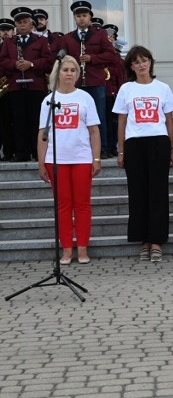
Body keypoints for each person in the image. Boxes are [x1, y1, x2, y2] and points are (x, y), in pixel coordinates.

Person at [114, 45, 173, 262]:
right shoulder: (126, 89)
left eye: (145, 60)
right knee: (138, 193)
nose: (141, 65)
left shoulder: (163, 88)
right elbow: (121, 122)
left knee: (158, 194)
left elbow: (169, 120)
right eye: (136, 62)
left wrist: (172, 148)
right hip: (134, 144)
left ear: (150, 62)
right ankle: (143, 240)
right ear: (131, 66)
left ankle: (157, 241)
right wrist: (120, 150)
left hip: (158, 143)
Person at [36, 55, 101, 265]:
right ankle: (66, 250)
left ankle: (82, 248)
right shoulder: (49, 100)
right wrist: (41, 162)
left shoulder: (85, 98)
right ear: (58, 73)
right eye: (65, 70)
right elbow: (42, 133)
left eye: (73, 70)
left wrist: (96, 158)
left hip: (82, 158)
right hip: (56, 160)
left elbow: (94, 131)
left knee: (82, 204)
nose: (69, 74)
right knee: (63, 205)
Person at [60, 0, 117, 159]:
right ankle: (81, 148)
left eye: (84, 15)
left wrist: (92, 58)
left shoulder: (100, 35)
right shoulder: (68, 38)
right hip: (76, 84)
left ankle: (102, 149)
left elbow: (110, 55)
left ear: (90, 17)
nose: (81, 19)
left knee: (98, 116)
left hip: (95, 82)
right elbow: (61, 57)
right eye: (78, 16)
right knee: (78, 117)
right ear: (74, 18)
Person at [0, 7, 52, 162]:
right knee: (18, 120)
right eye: (19, 22)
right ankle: (22, 152)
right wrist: (14, 64)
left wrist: (32, 64)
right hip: (16, 86)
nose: (22, 25)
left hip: (36, 87)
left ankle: (38, 152)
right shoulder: (9, 42)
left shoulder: (41, 41)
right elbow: (2, 61)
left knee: (36, 120)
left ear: (32, 24)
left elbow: (49, 61)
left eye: (25, 22)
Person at [103, 23, 126, 157]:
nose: (111, 40)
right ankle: (107, 147)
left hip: (116, 91)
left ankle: (114, 146)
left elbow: (121, 74)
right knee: (107, 120)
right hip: (106, 90)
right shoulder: (106, 54)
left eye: (113, 38)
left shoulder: (116, 55)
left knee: (115, 121)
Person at [0, 17, 16, 161]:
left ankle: (14, 151)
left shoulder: (17, 46)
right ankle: (6, 152)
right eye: (2, 30)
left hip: (14, 87)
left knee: (14, 121)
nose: (5, 33)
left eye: (8, 30)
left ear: (13, 31)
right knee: (3, 123)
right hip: (2, 90)